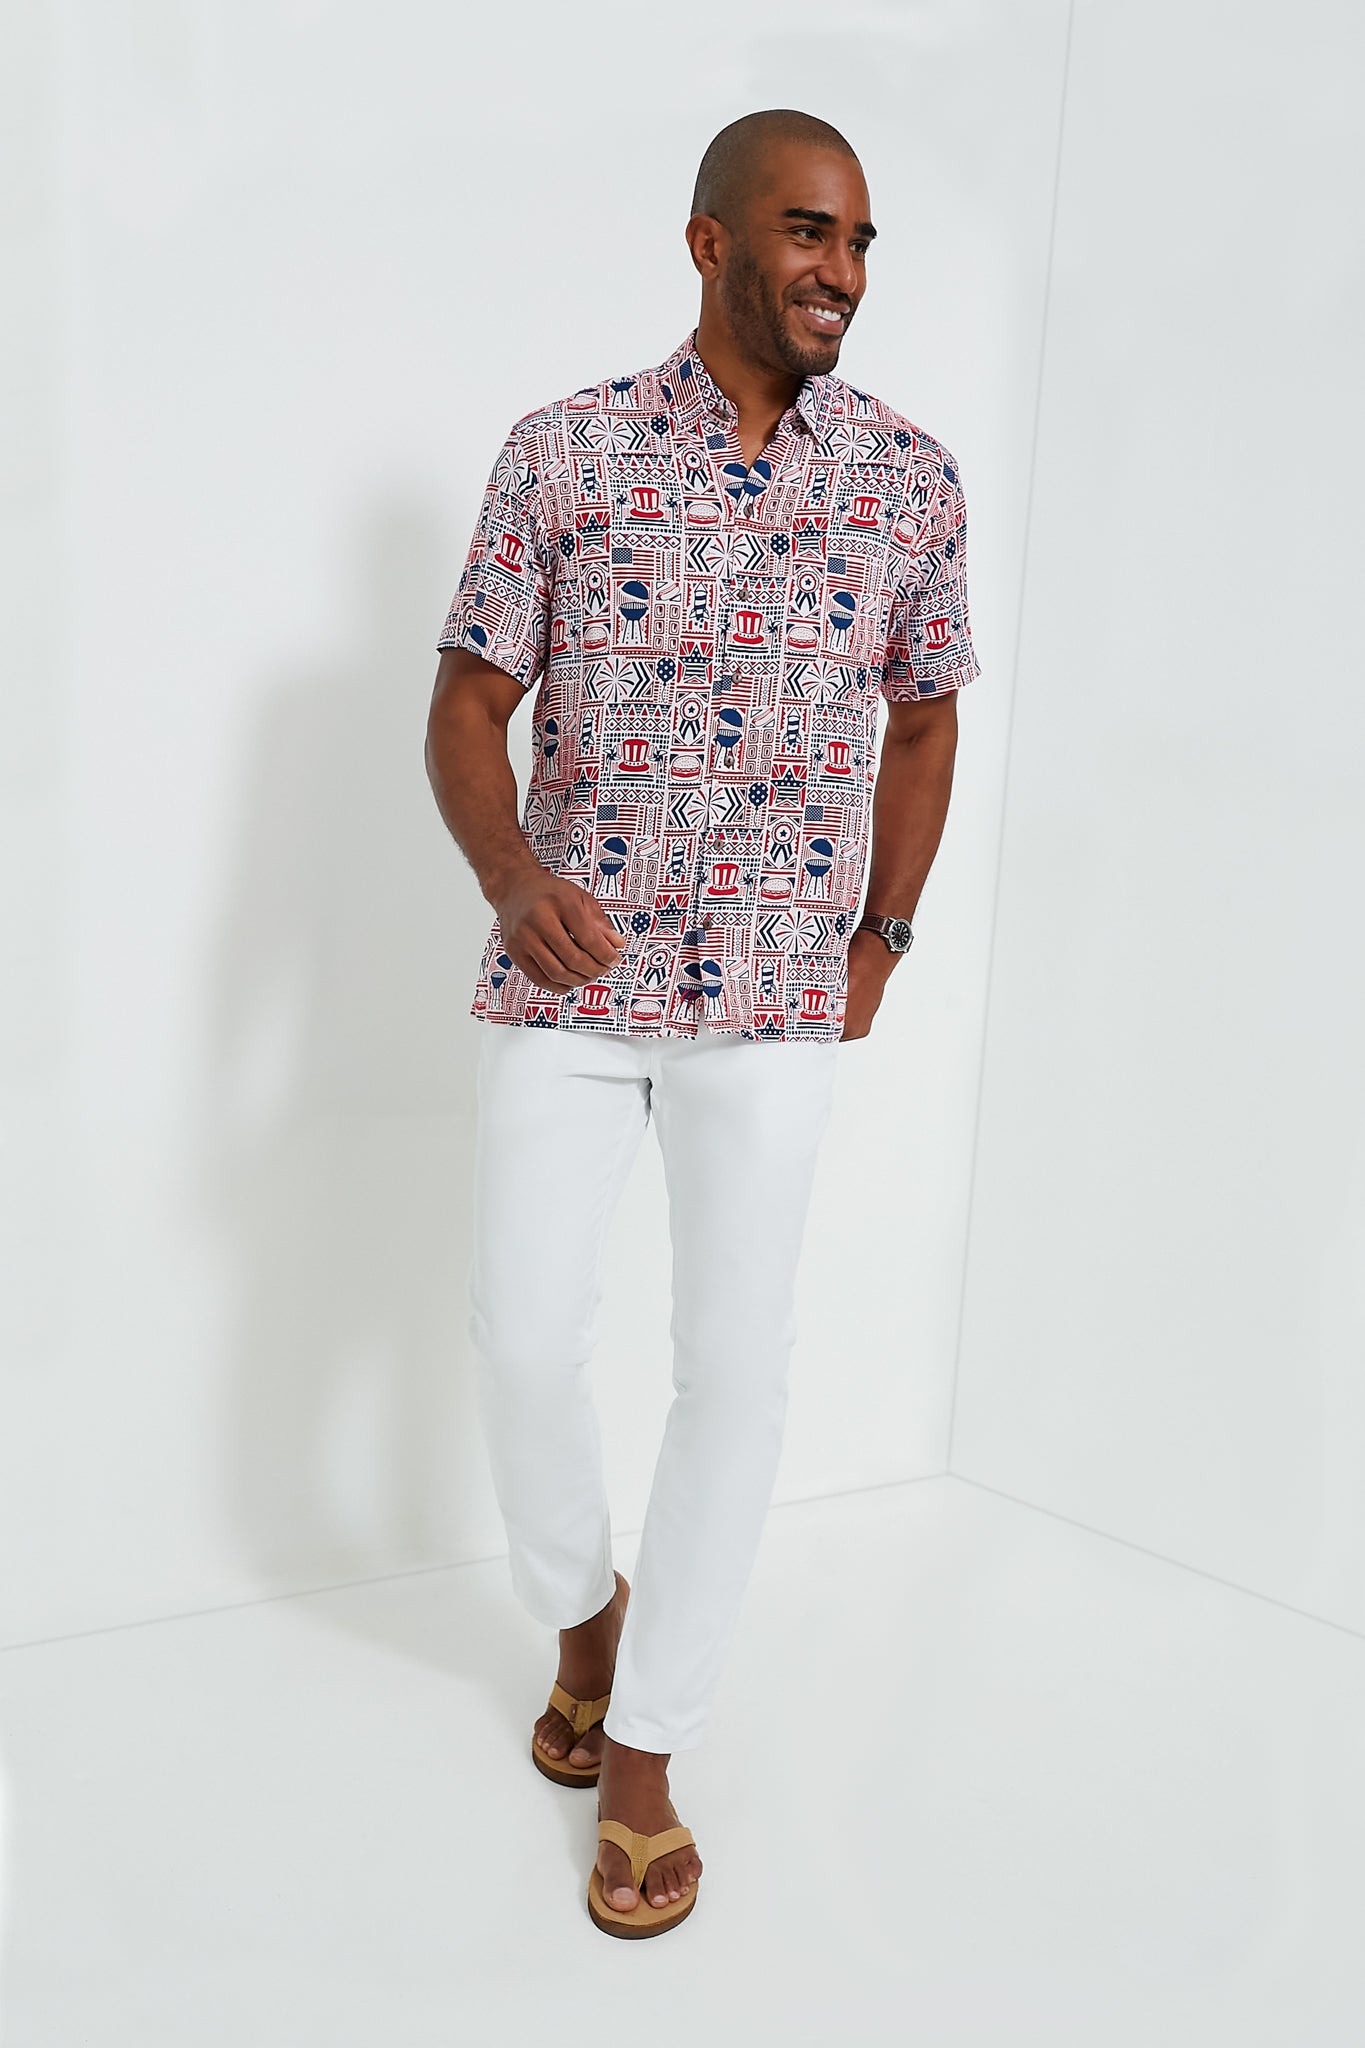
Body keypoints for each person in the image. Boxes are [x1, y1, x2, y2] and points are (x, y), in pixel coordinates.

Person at [424, 107, 981, 1938]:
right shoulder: (563, 452)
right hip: (571, 976)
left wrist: (881, 938)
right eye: (809, 231)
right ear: (710, 242)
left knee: (734, 1369)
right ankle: (584, 1614)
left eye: (862, 240)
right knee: (521, 1336)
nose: (842, 270)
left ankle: (647, 1744)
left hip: (771, 997)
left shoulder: (909, 479)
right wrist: (509, 871)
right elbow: (467, 704)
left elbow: (924, 717)